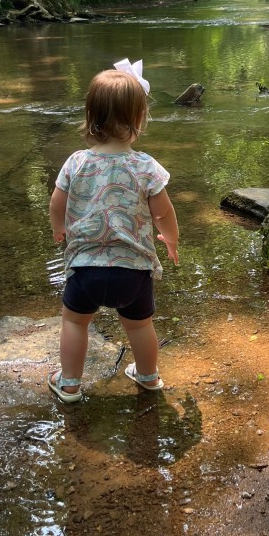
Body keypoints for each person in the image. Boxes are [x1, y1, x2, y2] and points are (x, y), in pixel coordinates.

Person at [47, 60, 180, 402]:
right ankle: (148, 376)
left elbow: (56, 204)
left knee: (75, 323)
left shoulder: (76, 162)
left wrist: (59, 229)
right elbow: (164, 212)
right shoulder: (146, 167)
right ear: (139, 119)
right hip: (133, 273)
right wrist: (171, 240)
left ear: (91, 118)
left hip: (85, 270)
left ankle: (70, 384)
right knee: (139, 326)